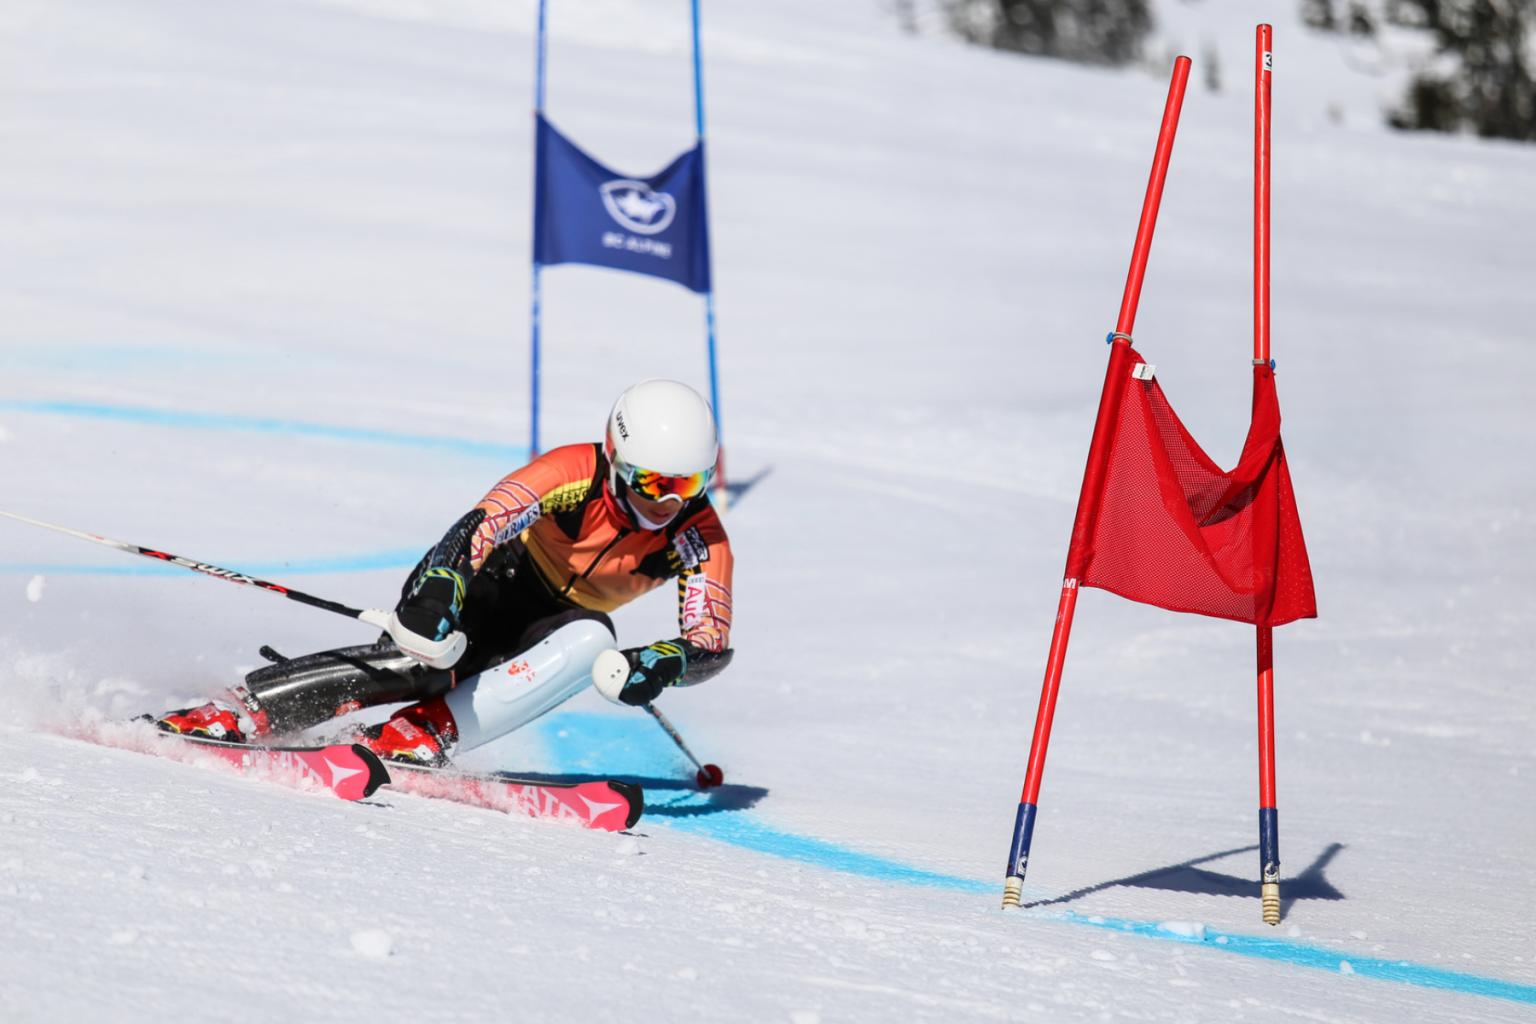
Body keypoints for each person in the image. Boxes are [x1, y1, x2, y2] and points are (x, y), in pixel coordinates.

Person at [152, 379, 734, 766]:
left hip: (557, 623)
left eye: (689, 484)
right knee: (425, 661)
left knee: (593, 643)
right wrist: (436, 595)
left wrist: (661, 665)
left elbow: (710, 643)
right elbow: (481, 526)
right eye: (652, 481)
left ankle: (425, 735)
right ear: (614, 455)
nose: (668, 501)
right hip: (495, 582)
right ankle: (247, 708)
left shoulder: (699, 537)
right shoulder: (571, 472)